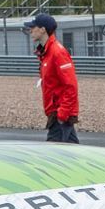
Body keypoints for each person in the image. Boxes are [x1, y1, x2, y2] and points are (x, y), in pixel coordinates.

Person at [27, 11, 79, 143]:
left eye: (33, 27)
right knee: (73, 153)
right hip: (57, 113)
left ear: (43, 30)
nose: (30, 30)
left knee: (51, 155)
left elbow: (71, 85)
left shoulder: (57, 52)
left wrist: (62, 114)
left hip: (59, 115)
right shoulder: (46, 52)